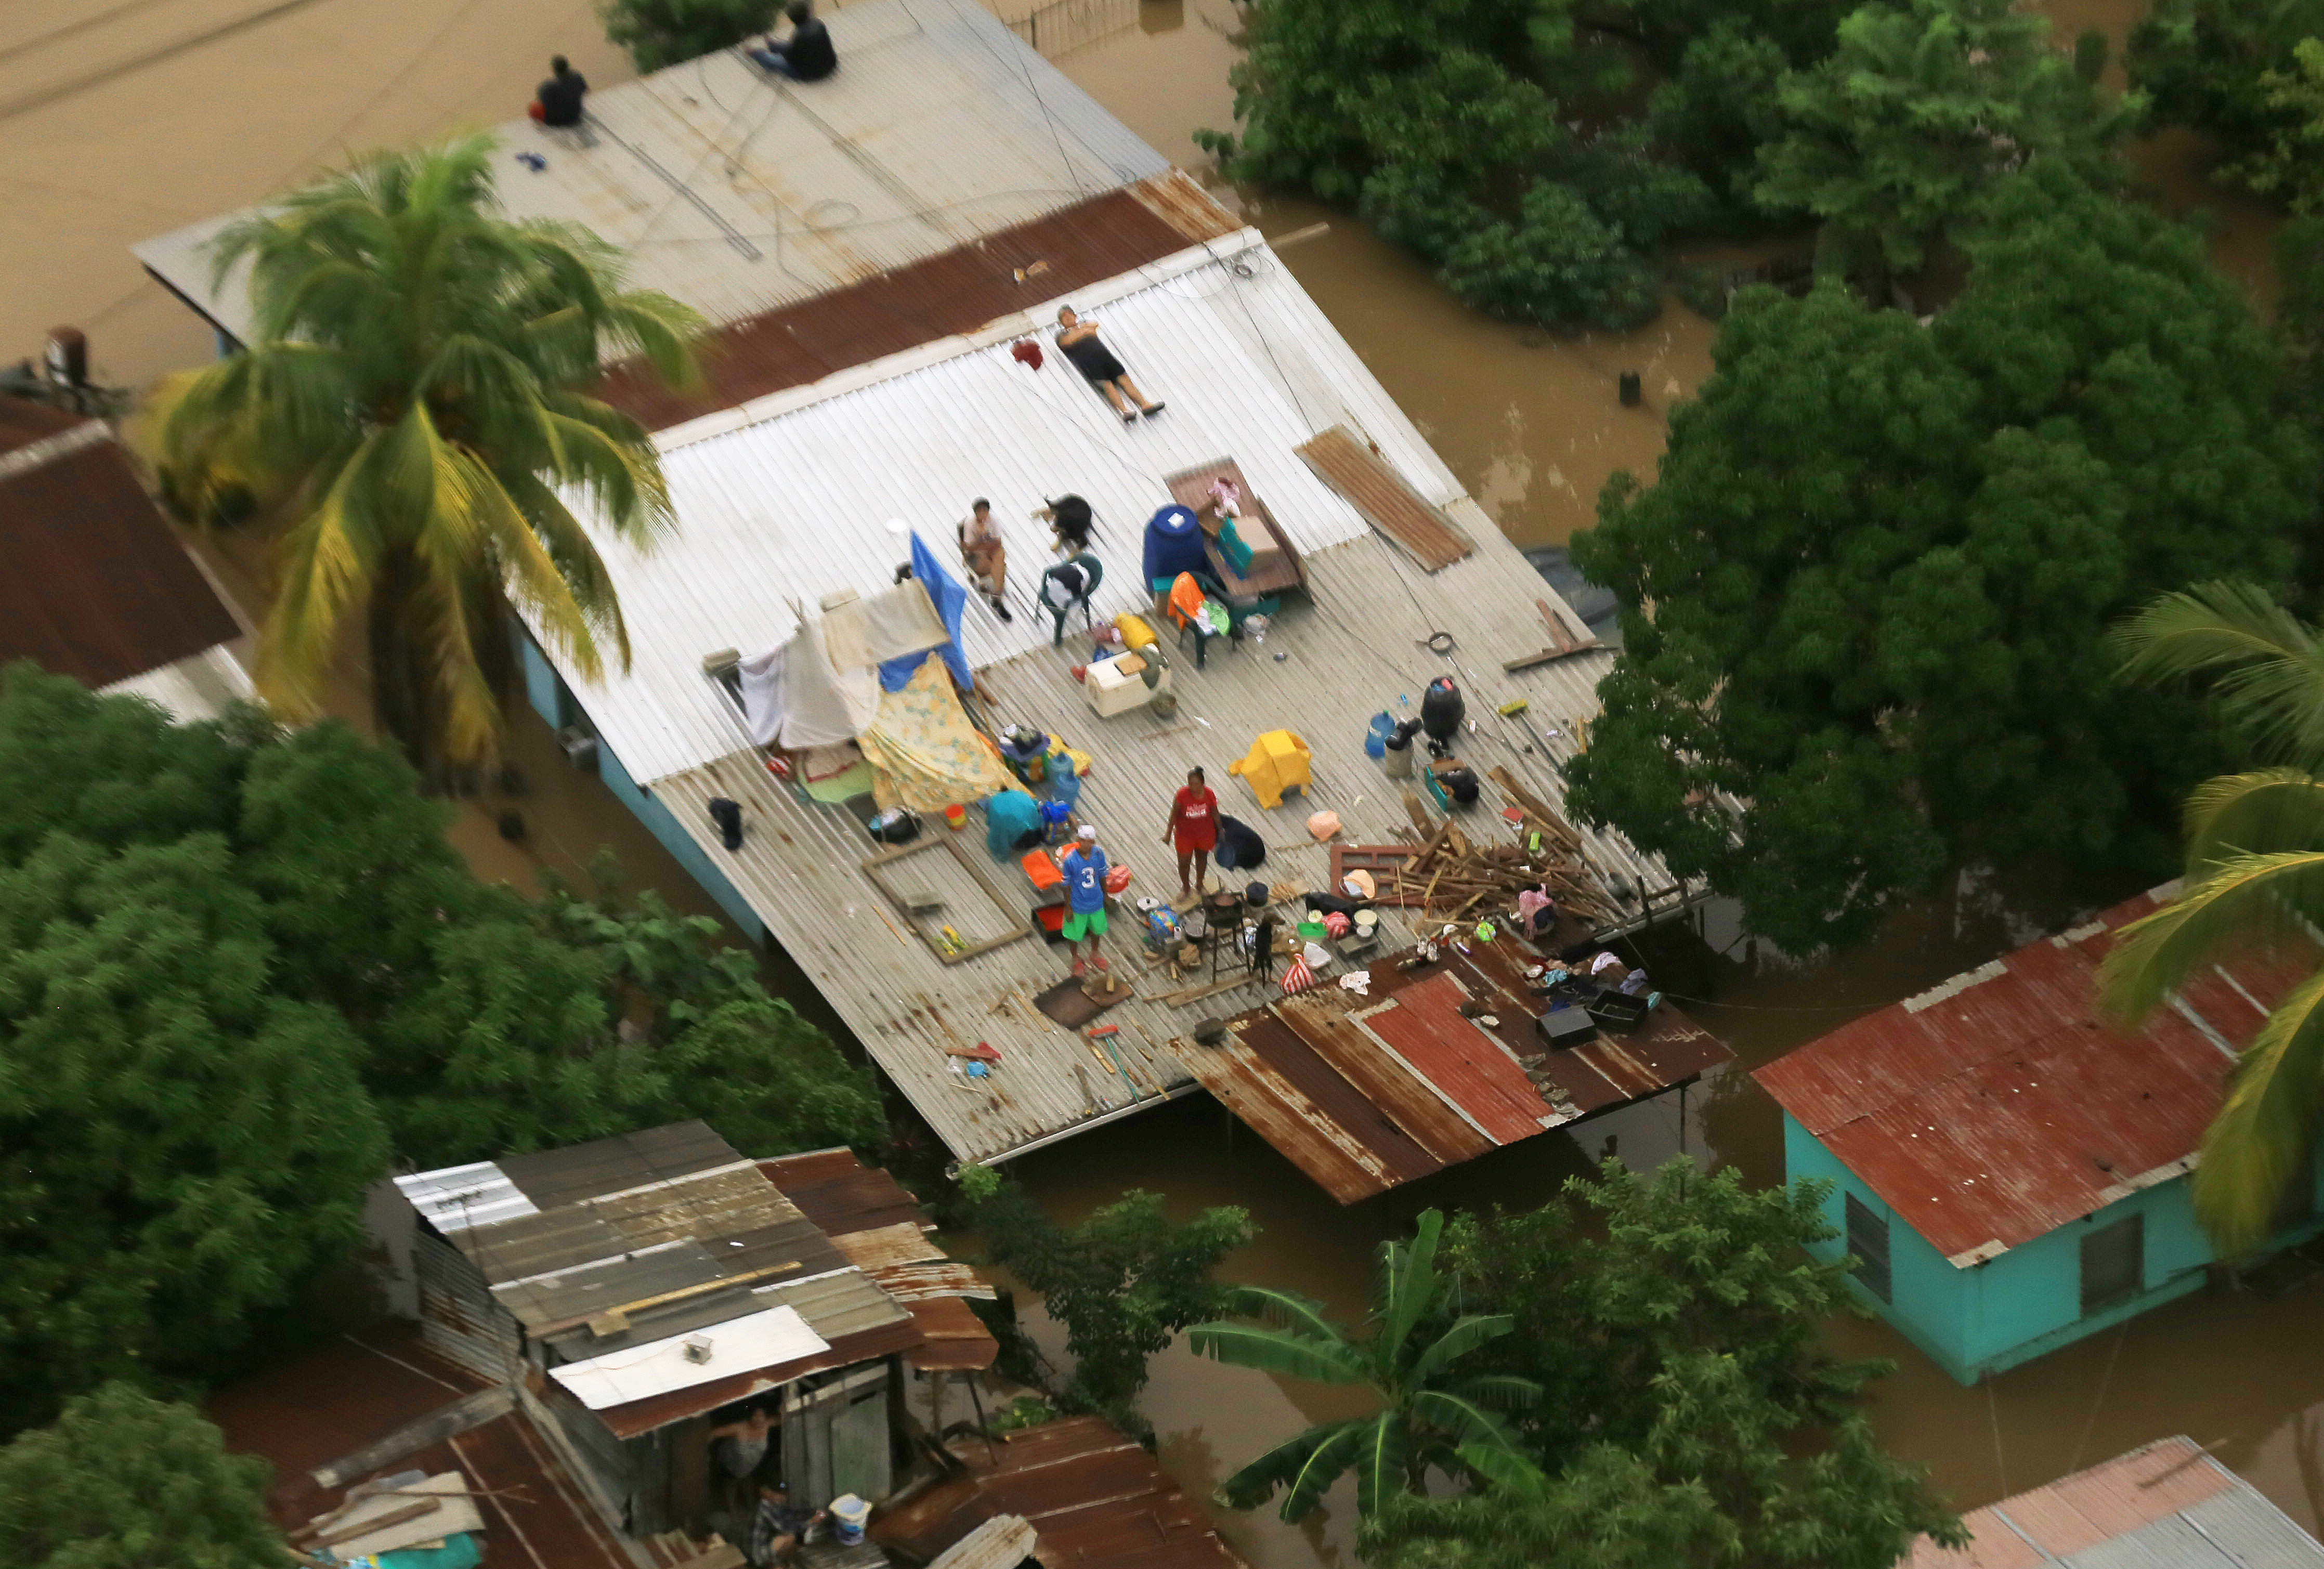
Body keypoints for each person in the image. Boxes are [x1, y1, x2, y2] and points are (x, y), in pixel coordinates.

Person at [1054, 307, 1163, 424]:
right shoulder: (1061, 335)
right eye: (1064, 317)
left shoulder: (1084, 323)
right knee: (1108, 386)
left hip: (1106, 358)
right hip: (1090, 365)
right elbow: (1067, 341)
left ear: (1075, 315)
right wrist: (1083, 332)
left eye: (1070, 314)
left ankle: (1145, 405)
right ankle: (1124, 411)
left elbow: (1094, 325)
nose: (1068, 318)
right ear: (1061, 322)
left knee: (1124, 379)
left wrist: (1080, 332)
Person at [1059, 824, 1110, 976]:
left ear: (1093, 843)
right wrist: (1068, 907)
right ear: (1078, 840)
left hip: (1096, 901)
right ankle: (1075, 958)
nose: (1086, 844)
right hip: (1078, 904)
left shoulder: (1098, 854)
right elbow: (1066, 885)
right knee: (1074, 934)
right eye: (1083, 841)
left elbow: (1102, 875)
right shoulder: (1070, 861)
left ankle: (1094, 953)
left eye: (1090, 842)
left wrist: (1105, 895)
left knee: (1097, 929)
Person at [1162, 766, 1218, 898]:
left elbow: (1215, 812)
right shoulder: (1182, 795)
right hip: (1184, 835)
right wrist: (1168, 834)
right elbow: (1174, 815)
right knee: (1183, 862)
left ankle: (1200, 884)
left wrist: (1220, 830)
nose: (1193, 787)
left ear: (1203, 783)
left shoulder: (1209, 794)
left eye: (1196, 784)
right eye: (1190, 783)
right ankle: (1186, 887)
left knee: (1202, 859)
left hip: (1204, 834)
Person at [750, 1, 838, 81]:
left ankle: (756, 54)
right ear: (808, 13)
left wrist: (783, 49)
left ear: (791, 20)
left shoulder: (799, 36)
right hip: (830, 65)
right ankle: (772, 45)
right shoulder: (819, 24)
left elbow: (790, 58)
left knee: (775, 59)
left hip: (811, 74)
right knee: (788, 46)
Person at [707, 1406, 773, 1511]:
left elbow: (784, 1417)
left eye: (761, 1415)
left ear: (765, 1417)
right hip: (732, 1460)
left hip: (751, 1463)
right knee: (731, 1484)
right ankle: (732, 1511)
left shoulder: (767, 1425)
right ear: (750, 1417)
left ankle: (751, 1507)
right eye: (755, 1415)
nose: (758, 1418)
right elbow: (714, 1433)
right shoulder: (739, 1427)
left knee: (748, 1481)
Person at [747, 1481, 822, 1568]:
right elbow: (785, 1528)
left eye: (784, 1494)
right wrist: (811, 1522)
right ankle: (777, 1565)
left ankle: (783, 1563)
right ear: (770, 1494)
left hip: (770, 1547)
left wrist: (814, 1512)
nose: (783, 1497)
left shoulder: (777, 1506)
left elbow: (794, 1514)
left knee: (796, 1541)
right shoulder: (764, 1508)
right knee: (790, 1537)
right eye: (779, 1494)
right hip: (760, 1555)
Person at [959, 499, 1012, 622]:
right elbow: (969, 547)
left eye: (985, 511)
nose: (983, 514)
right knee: (997, 568)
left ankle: (997, 596)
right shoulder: (970, 523)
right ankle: (997, 598)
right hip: (976, 556)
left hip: (989, 552)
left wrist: (984, 544)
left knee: (999, 556)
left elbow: (998, 543)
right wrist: (984, 540)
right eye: (979, 511)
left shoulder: (993, 520)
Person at [532, 56, 588, 127]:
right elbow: (585, 90)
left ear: (554, 70)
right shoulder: (577, 78)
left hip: (556, 121)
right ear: (567, 66)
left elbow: (541, 102)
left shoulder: (548, 87)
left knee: (533, 108)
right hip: (575, 117)